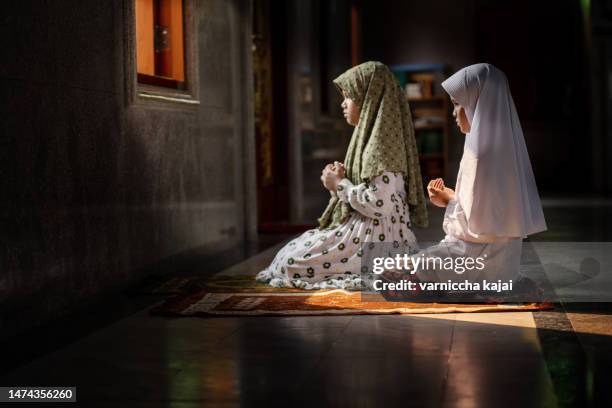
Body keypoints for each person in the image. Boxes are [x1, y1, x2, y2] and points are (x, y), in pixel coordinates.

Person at [255, 61, 428, 289]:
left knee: (289, 262)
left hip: (375, 241)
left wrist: (340, 184)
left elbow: (380, 204)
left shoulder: (383, 146)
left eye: (349, 97)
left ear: (368, 99)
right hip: (362, 232)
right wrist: (337, 182)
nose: (343, 104)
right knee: (290, 252)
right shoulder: (370, 139)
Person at [416, 63, 547, 294]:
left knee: (397, 271)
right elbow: (488, 216)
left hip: (478, 261)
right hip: (501, 264)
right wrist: (452, 198)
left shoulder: (482, 156)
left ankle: (476, 289)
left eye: (458, 104)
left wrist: (448, 201)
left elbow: (476, 232)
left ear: (478, 105)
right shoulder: (503, 150)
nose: (453, 113)